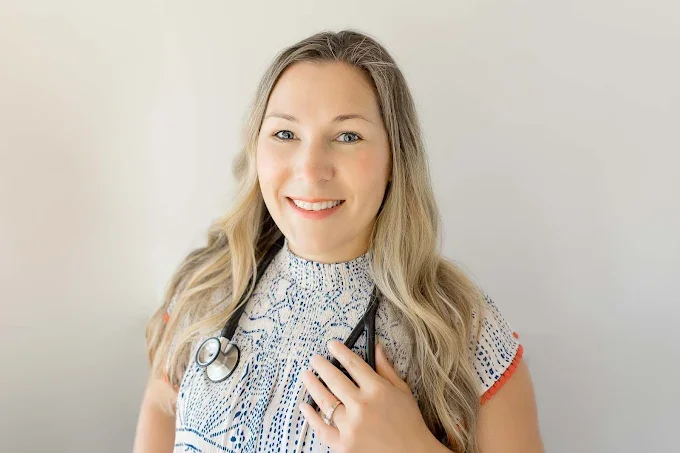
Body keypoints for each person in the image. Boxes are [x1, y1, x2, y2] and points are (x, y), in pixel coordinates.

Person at [133, 30, 544, 453]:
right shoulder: (207, 285)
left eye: (347, 137)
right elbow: (160, 408)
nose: (311, 171)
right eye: (285, 134)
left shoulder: (462, 330)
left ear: (393, 160)